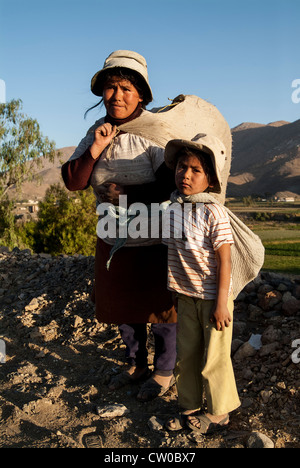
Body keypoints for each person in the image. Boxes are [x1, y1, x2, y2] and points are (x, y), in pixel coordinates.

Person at [61, 50, 177, 401]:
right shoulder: (95, 132)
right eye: (111, 87)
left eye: (126, 88)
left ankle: (163, 372)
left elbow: (170, 183)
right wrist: (96, 147)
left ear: (141, 94)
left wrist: (128, 191)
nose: (117, 96)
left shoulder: (154, 132)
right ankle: (135, 362)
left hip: (154, 239)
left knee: (160, 309)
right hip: (113, 240)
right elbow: (74, 181)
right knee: (124, 309)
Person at [162, 134, 241, 434]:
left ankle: (220, 413)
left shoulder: (214, 212)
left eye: (196, 170)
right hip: (185, 296)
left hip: (213, 299)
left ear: (210, 179)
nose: (186, 174)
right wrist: (174, 291)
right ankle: (190, 407)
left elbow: (225, 261)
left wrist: (221, 303)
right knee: (187, 355)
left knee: (215, 358)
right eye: (182, 167)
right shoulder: (173, 209)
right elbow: (174, 254)